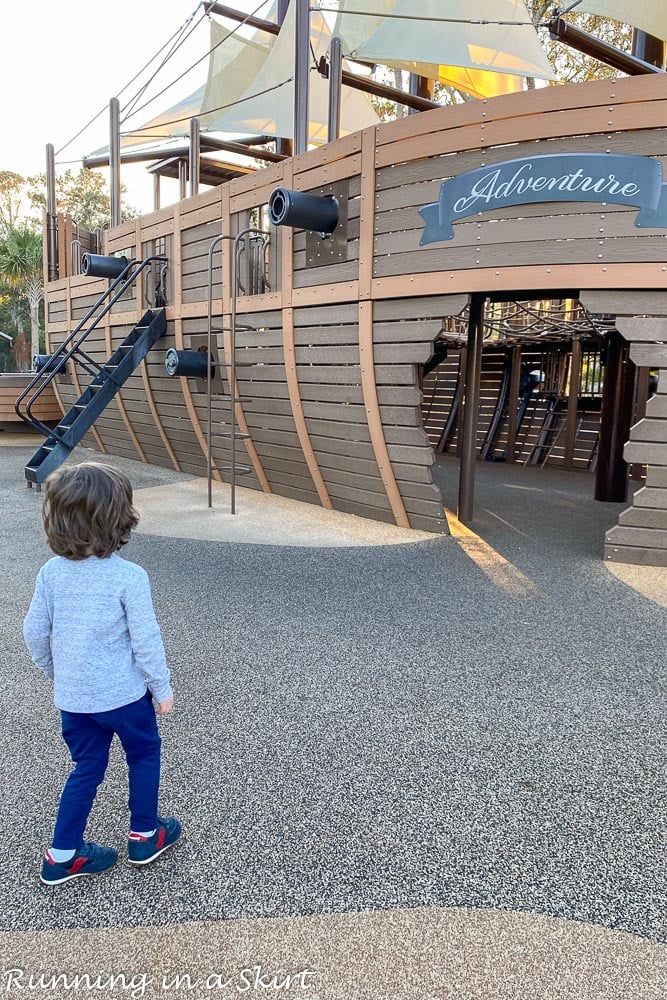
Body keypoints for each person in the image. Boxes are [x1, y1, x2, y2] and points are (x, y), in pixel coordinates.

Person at [23, 461, 181, 885]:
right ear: (119, 518)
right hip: (125, 698)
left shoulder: (51, 573)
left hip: (74, 701)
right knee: (144, 753)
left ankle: (62, 855)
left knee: (86, 768)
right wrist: (161, 688)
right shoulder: (128, 577)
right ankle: (145, 834)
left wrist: (57, 674)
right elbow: (146, 641)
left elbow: (33, 632)